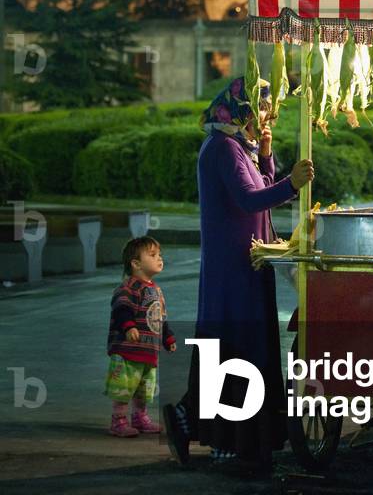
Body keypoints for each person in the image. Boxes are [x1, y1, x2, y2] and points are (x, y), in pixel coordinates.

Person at [163, 76, 314, 470]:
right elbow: (250, 199)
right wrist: (292, 184)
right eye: (262, 107)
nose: (267, 115)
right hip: (232, 267)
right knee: (235, 348)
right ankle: (221, 437)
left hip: (245, 262)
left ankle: (204, 424)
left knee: (239, 344)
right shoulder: (224, 149)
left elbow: (258, 185)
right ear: (242, 109)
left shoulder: (234, 146)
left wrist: (266, 157)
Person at [105, 236, 176, 437]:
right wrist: (128, 327)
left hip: (148, 350)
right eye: (153, 255)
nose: (160, 258)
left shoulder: (157, 291)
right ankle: (118, 421)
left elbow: (160, 317)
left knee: (144, 388)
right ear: (136, 263)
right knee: (124, 387)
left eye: (159, 254)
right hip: (128, 350)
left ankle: (140, 417)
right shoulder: (128, 288)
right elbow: (121, 309)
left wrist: (167, 337)